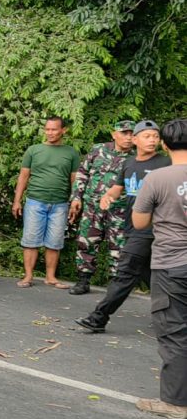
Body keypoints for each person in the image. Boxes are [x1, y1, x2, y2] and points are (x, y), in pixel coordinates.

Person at [75, 121, 168, 333]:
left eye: (155, 136)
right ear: (135, 140)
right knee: (153, 276)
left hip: (153, 230)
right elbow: (116, 189)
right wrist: (106, 197)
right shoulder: (129, 164)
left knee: (124, 274)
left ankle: (98, 317)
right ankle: (171, 316)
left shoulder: (165, 164)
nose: (152, 140)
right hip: (132, 228)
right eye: (147, 136)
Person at [129, 118, 187, 419]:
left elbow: (139, 222)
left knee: (174, 331)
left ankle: (176, 403)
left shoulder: (158, 177)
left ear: (164, 144)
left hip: (171, 263)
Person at [67, 120, 136, 294]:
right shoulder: (98, 149)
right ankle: (83, 280)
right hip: (93, 206)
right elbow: (83, 173)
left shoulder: (136, 158)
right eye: (124, 133)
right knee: (86, 241)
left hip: (120, 209)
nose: (128, 137)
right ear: (114, 134)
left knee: (119, 246)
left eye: (131, 134)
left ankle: (115, 285)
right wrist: (77, 197)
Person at [12, 117, 81, 289]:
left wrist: (75, 201)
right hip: (35, 201)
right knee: (30, 240)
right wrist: (17, 201)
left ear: (63, 130)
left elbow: (75, 180)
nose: (50, 133)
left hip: (60, 203)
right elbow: (23, 177)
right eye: (47, 129)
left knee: (54, 242)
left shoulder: (71, 152)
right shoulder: (34, 150)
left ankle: (51, 277)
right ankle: (28, 276)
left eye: (54, 129)